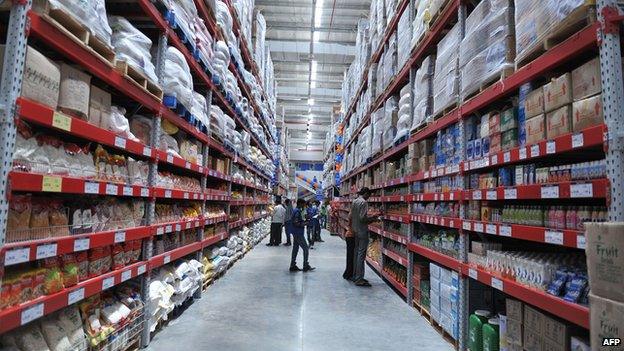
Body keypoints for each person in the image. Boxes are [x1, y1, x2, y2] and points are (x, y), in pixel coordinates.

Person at [350, 187, 381, 287]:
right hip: (362, 231)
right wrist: (374, 218)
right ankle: (359, 279)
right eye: (369, 195)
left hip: (355, 230)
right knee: (361, 255)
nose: (369, 197)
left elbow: (352, 216)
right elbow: (363, 218)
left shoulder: (355, 201)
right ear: (366, 193)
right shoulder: (363, 202)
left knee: (356, 253)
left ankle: (355, 276)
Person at [290, 199, 315, 272]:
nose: (304, 206)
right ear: (300, 204)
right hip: (298, 233)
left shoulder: (297, 210)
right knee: (306, 248)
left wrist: (304, 220)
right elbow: (296, 223)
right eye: (303, 204)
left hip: (296, 232)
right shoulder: (297, 211)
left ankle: (292, 265)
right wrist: (305, 223)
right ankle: (305, 265)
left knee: (295, 249)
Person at [342, 214, 355, 280]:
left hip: (349, 235)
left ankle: (348, 273)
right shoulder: (353, 215)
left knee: (350, 256)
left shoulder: (351, 214)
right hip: (351, 236)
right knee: (351, 256)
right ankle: (348, 274)